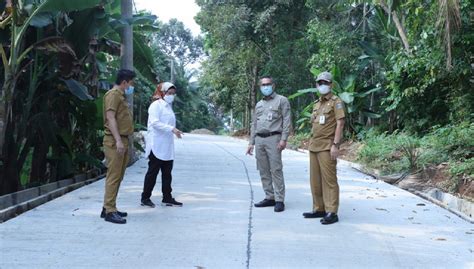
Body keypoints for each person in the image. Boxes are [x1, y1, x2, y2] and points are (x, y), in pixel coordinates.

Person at [303, 71, 345, 225]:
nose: (322, 85)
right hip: (314, 146)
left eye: (325, 83)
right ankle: (319, 208)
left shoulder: (336, 101)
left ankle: (332, 211)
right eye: (320, 83)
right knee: (315, 180)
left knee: (329, 180)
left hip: (327, 146)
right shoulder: (316, 104)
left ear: (331, 85)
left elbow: (340, 123)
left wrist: (336, 145)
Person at [246, 76, 291, 212]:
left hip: (274, 138)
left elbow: (287, 121)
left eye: (268, 84)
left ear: (273, 85)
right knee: (263, 170)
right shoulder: (259, 104)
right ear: (260, 87)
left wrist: (284, 139)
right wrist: (251, 143)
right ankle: (269, 197)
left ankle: (279, 199)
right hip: (260, 139)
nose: (265, 87)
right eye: (263, 85)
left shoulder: (282, 100)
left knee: (276, 169)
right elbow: (254, 124)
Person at [101, 69, 136, 224]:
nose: (131, 86)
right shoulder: (113, 95)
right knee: (114, 176)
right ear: (124, 82)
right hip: (115, 141)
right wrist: (118, 141)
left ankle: (108, 207)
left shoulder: (120, 96)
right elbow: (110, 117)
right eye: (131, 83)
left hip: (122, 139)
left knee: (118, 176)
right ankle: (110, 211)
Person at [141, 82, 184, 208]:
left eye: (173, 94)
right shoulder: (156, 105)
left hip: (167, 145)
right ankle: (145, 197)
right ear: (162, 93)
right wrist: (172, 129)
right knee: (152, 173)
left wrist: (174, 131)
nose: (171, 96)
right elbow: (155, 123)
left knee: (167, 173)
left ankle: (167, 197)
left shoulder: (168, 107)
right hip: (157, 144)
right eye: (169, 93)